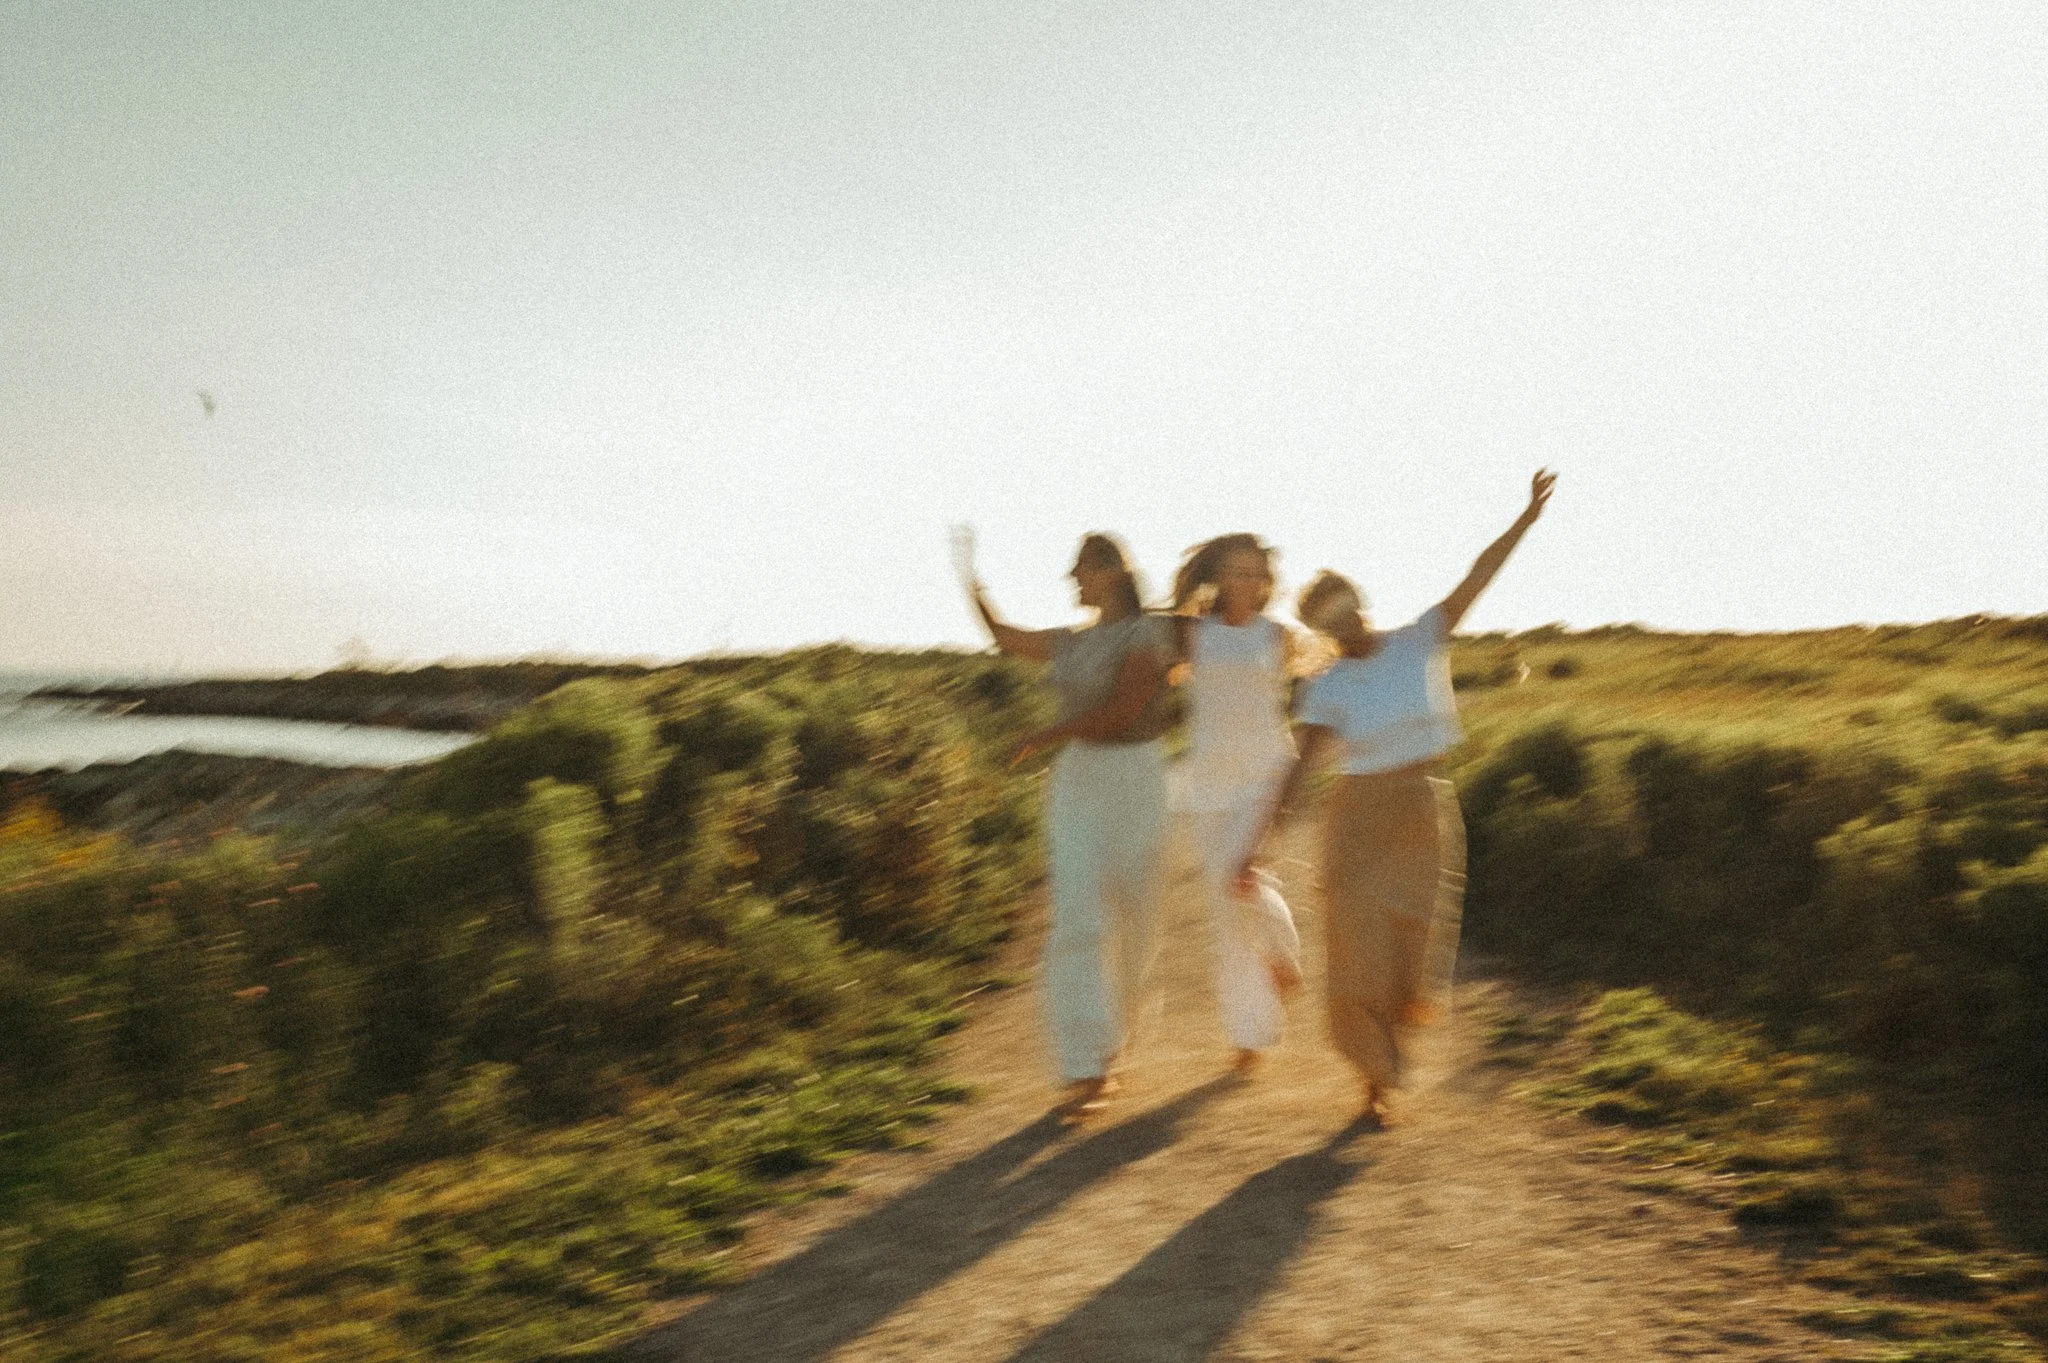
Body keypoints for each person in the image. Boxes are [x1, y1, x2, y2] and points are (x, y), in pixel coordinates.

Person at [1235, 470, 1557, 1126]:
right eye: (1323, 613)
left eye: (1344, 600)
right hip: (1356, 818)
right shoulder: (1328, 684)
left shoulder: (1420, 639)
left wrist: (1524, 519)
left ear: (1359, 599)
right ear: (1317, 626)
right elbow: (1300, 766)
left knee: (1413, 950)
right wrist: (1263, 836)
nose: (1340, 616)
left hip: (1420, 812)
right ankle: (1376, 1085)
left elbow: (1479, 573)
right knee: (1358, 952)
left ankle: (1390, 1055)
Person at [954, 526, 1178, 1117]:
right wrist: (970, 578)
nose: (1073, 579)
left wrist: (1046, 734)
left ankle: (1119, 1045)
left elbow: (1126, 710)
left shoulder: (1147, 632)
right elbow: (1005, 638)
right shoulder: (1071, 642)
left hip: (1136, 777)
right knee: (1076, 916)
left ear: (1110, 571)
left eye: (1081, 567)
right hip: (1079, 780)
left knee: (1137, 921)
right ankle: (1088, 1067)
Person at [1170, 533, 1306, 1075]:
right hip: (1209, 776)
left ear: (1267, 582)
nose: (1246, 582)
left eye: (1255, 573)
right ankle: (1249, 1035)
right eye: (1236, 572)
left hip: (1264, 772)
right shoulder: (1191, 633)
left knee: (1246, 876)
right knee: (1227, 904)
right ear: (1218, 577)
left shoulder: (1278, 637)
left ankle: (1284, 955)